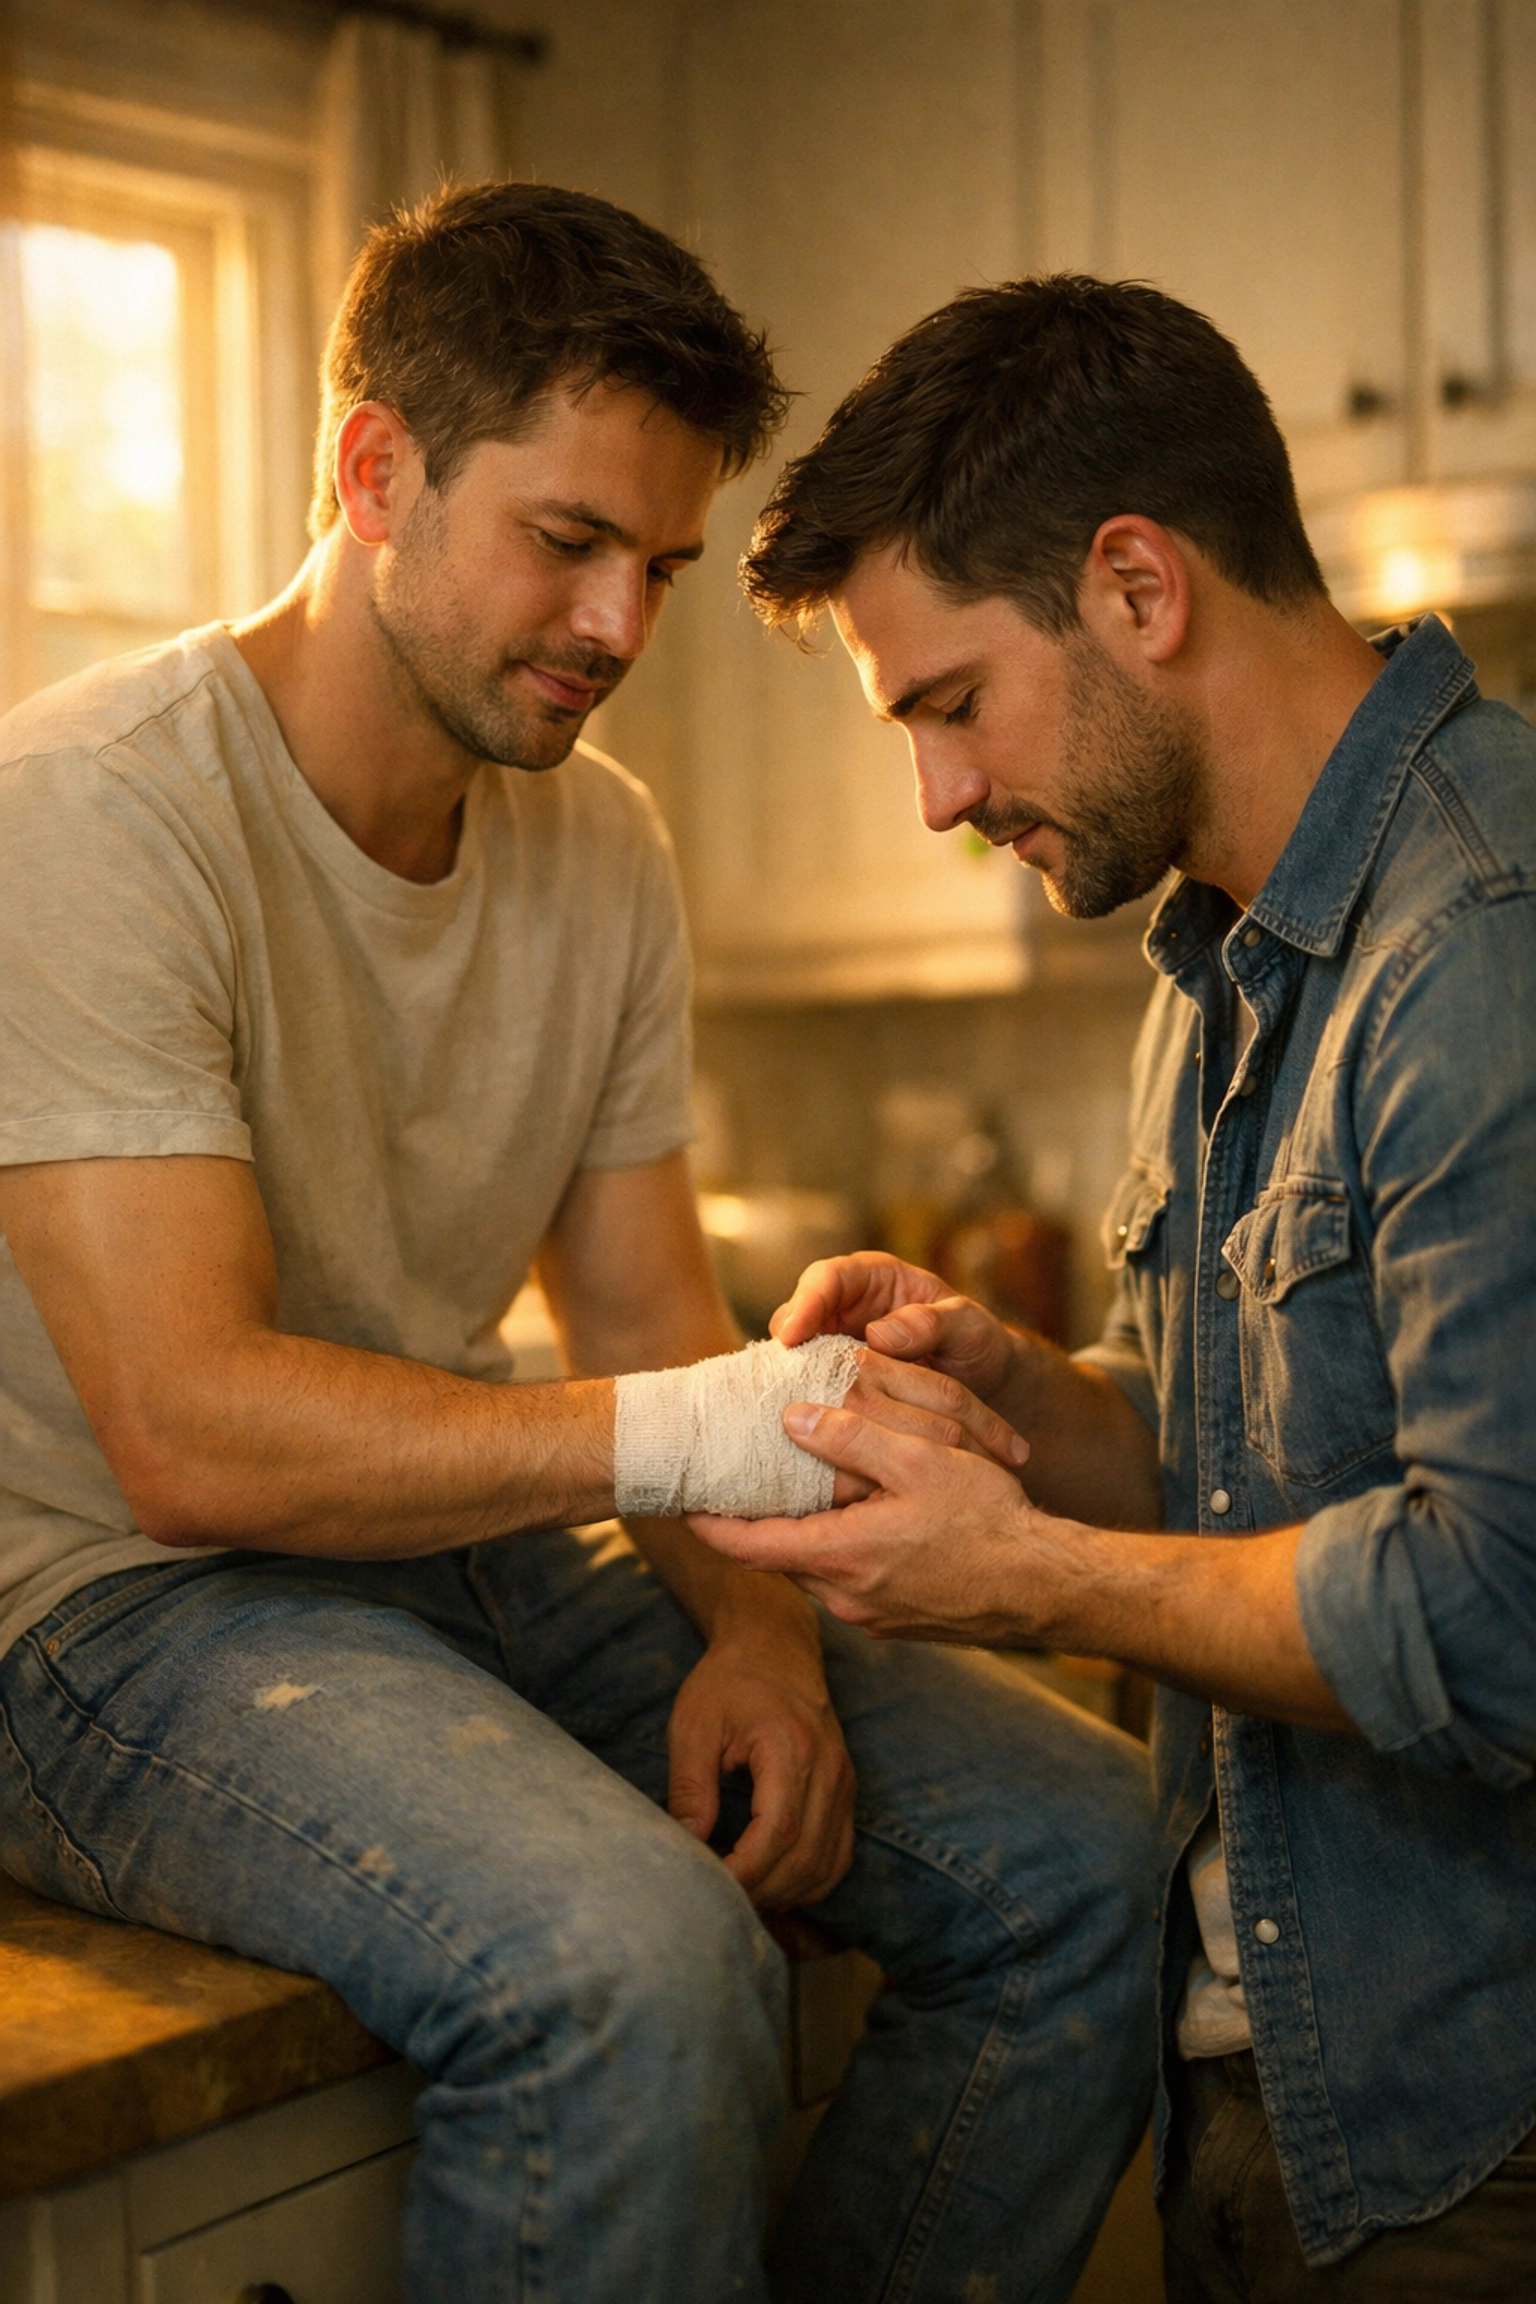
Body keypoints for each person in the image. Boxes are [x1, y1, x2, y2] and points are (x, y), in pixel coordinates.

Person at [0, 191, 1156, 2304]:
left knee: (1094, 1860)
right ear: (373, 473)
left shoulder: (597, 842)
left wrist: (766, 1644)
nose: (623, 624)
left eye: (666, 567)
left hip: (459, 1560)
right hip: (116, 1618)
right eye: (568, 542)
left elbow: (639, 1317)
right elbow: (186, 1431)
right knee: (637, 1963)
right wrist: (700, 1438)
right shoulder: (86, 813)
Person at [715, 274, 1536, 2300]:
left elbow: (1501, 1610)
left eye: (948, 703)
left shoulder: (1484, 945)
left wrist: (1030, 1582)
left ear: (1139, 589)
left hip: (1481, 2128)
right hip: (1274, 2087)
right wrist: (1010, 1390)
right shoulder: (1220, 961)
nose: (935, 798)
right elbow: (1235, 1457)